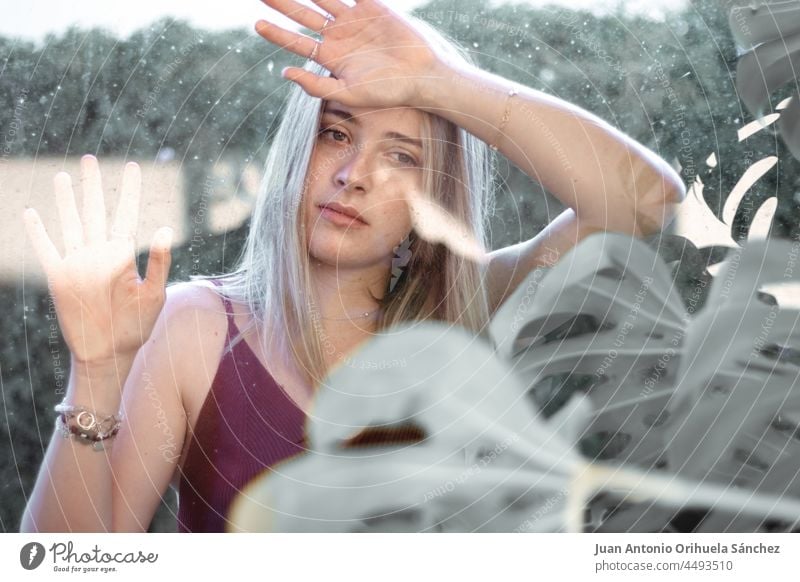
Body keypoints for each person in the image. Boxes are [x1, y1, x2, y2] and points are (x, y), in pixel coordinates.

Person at [19, 0, 684, 532]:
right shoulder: (197, 327)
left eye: (402, 156)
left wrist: (442, 85)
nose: (354, 174)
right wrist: (98, 373)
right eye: (336, 134)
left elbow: (645, 200)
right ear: (297, 150)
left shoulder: (471, 308)